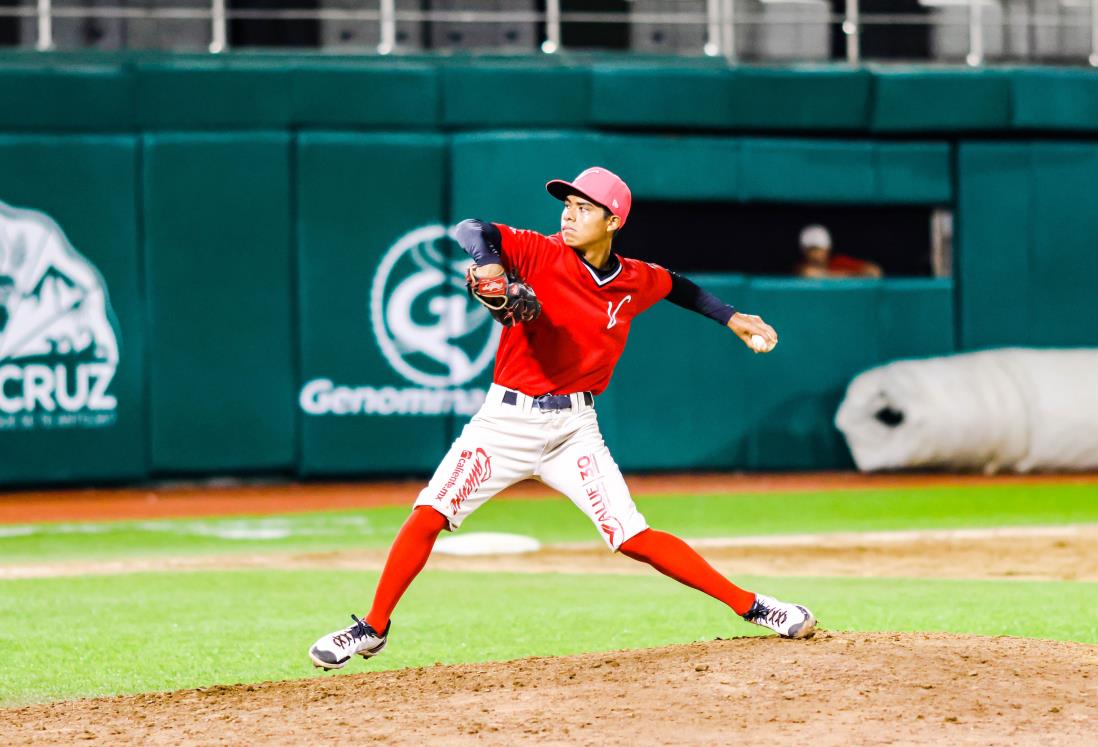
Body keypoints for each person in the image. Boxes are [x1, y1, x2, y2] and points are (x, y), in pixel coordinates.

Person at [309, 167, 817, 671]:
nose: (569, 215)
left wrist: (730, 317)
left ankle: (754, 606)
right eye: (567, 205)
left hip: (575, 431)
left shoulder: (635, 279)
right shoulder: (539, 251)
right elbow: (471, 230)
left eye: (583, 208)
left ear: (612, 220)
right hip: (503, 424)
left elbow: (677, 287)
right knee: (428, 514)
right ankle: (373, 629)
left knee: (632, 536)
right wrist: (489, 266)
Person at [795, 224, 882, 279]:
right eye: (810, 250)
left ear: (828, 248)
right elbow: (811, 274)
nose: (815, 254)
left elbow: (874, 271)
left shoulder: (839, 262)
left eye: (819, 249)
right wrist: (854, 276)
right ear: (804, 252)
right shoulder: (801, 268)